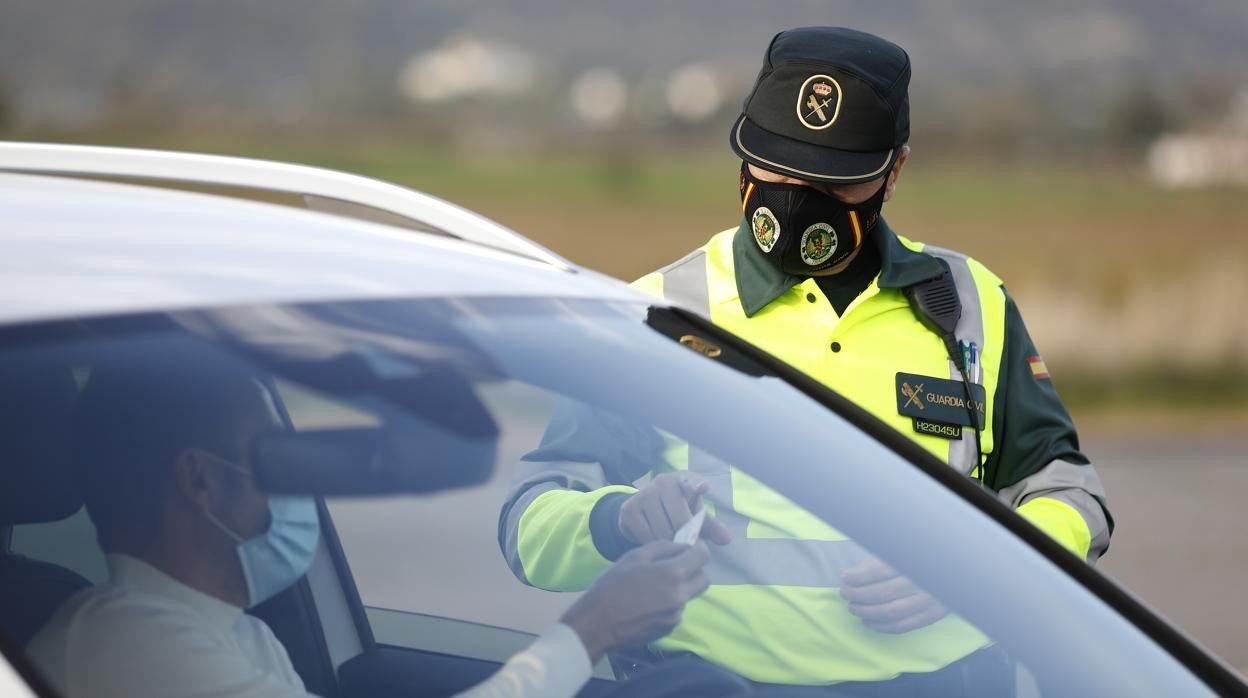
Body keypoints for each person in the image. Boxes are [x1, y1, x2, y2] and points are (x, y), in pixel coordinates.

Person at [500, 26, 1112, 691]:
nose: (793, 197)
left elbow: (1070, 496)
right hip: (712, 683)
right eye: (777, 166)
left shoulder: (968, 304)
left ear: (894, 171)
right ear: (742, 152)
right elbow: (530, 524)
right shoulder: (657, 313)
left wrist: (980, 571)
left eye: (831, 179)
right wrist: (616, 519)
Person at [26, 341, 711, 698]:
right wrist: (593, 629)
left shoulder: (231, 637)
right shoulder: (129, 645)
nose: (300, 481)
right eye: (278, 451)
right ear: (198, 479)